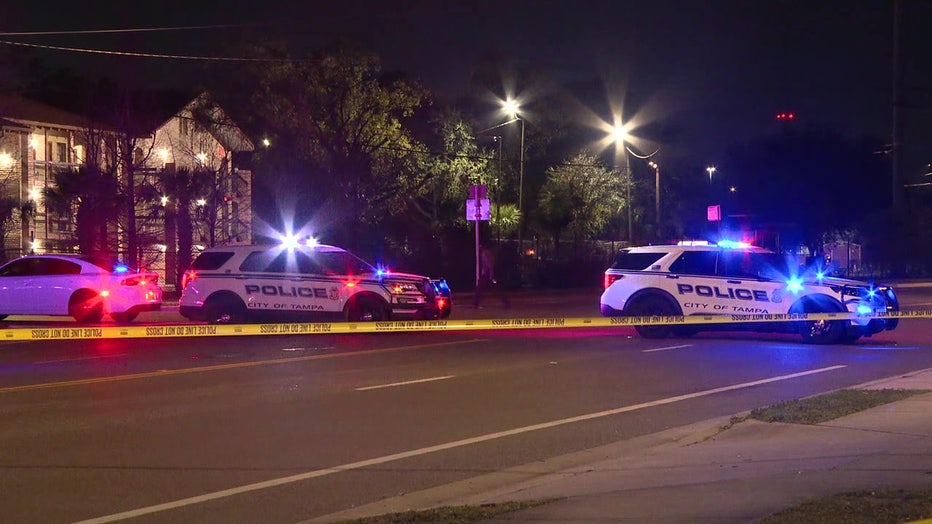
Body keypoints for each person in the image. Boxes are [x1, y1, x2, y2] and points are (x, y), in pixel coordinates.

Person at [474, 243, 510, 308]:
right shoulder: (488, 253)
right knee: (495, 288)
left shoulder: (485, 253)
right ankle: (506, 302)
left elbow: (490, 265)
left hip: (487, 274)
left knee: (481, 287)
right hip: (488, 273)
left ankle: (475, 303)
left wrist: (491, 275)